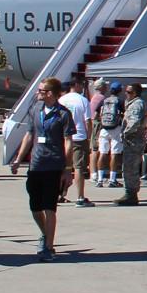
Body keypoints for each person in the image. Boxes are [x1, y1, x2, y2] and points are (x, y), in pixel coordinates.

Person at [13, 78, 72, 261]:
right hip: (36, 164)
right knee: (35, 207)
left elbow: (68, 141)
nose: (37, 92)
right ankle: (45, 233)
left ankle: (49, 247)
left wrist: (67, 168)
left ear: (50, 94)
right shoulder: (35, 110)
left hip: (53, 165)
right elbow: (30, 135)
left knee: (50, 207)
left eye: (40, 90)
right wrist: (18, 159)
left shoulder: (63, 114)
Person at [58, 78, 92, 206]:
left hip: (63, 137)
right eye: (82, 85)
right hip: (79, 136)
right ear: (76, 85)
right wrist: (88, 137)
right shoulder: (83, 100)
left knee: (62, 167)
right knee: (79, 167)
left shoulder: (62, 100)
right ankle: (80, 196)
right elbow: (88, 121)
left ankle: (60, 194)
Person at [114, 83, 147, 205]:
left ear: (135, 93)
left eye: (129, 92)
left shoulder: (136, 104)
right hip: (133, 140)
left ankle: (131, 194)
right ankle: (130, 193)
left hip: (133, 140)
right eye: (126, 91)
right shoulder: (134, 104)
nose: (126, 94)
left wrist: (126, 134)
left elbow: (134, 122)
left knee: (130, 167)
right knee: (129, 167)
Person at [94, 82, 127, 187]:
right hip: (116, 128)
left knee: (103, 153)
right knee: (114, 154)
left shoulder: (104, 101)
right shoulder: (120, 101)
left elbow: (96, 115)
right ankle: (112, 180)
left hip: (104, 129)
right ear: (120, 91)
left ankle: (100, 180)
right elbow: (125, 115)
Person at [87, 80, 108, 185]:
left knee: (94, 149)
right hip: (97, 124)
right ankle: (94, 173)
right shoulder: (101, 98)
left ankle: (93, 172)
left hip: (93, 123)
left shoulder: (94, 97)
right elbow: (95, 114)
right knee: (95, 149)